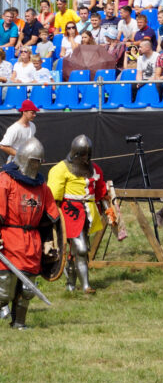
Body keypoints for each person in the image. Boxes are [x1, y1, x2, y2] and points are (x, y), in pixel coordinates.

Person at [0, 138, 59, 329]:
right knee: (4, 290)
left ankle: (19, 323)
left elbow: (51, 218)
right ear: (24, 159)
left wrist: (50, 243)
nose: (36, 165)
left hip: (31, 243)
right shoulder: (5, 180)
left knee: (27, 289)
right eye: (34, 160)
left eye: (39, 161)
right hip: (9, 239)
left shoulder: (42, 187)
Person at [47, 135, 116, 294]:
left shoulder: (95, 169)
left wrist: (108, 206)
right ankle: (85, 286)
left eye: (88, 155)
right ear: (76, 153)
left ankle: (70, 285)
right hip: (70, 213)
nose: (85, 159)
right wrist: (54, 221)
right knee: (82, 249)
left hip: (89, 213)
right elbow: (54, 196)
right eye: (82, 155)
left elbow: (100, 192)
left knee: (76, 251)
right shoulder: (61, 169)